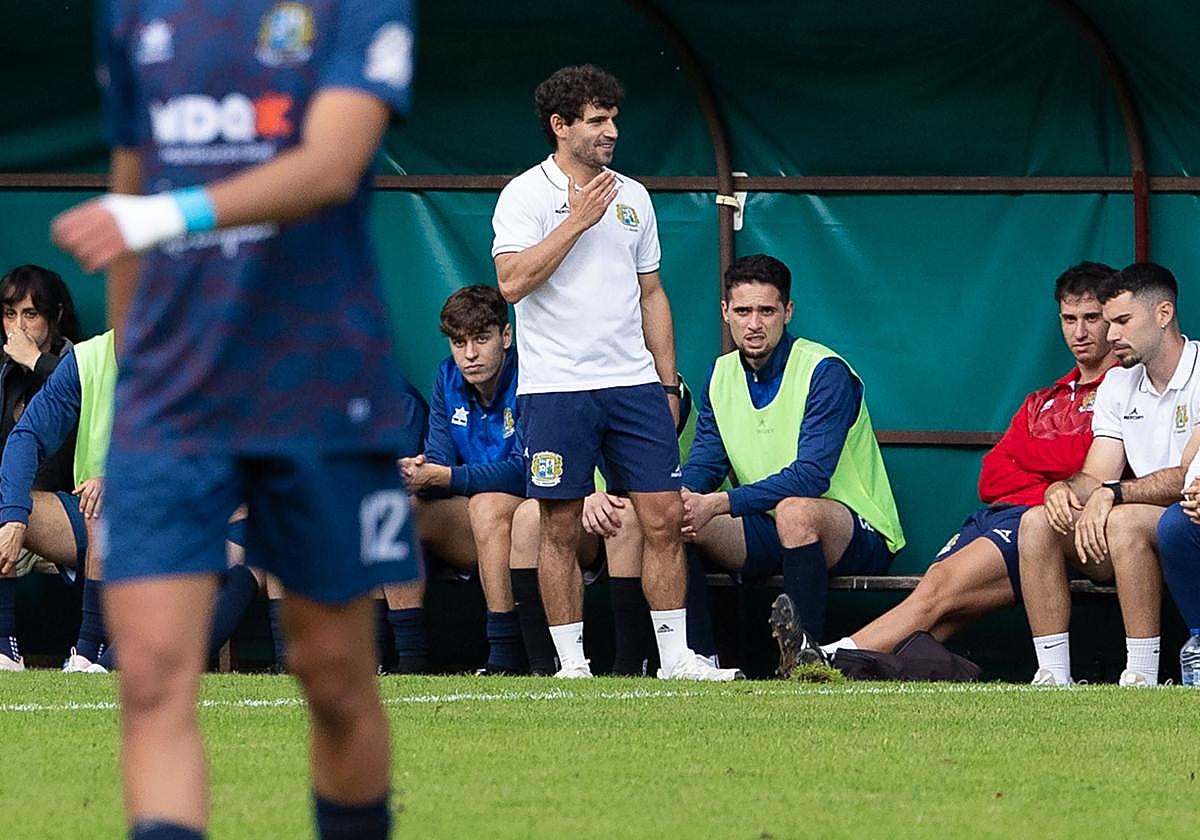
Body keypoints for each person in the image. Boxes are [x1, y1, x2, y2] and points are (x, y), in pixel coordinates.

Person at [51, 3, 419, 838]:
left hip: (321, 388)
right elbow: (130, 187)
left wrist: (163, 216)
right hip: (172, 400)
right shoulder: (132, 14)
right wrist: (135, 380)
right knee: (146, 679)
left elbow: (330, 166)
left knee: (333, 679)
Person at [491, 64, 739, 680]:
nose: (612, 131)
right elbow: (511, 283)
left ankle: (677, 657)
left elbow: (651, 293)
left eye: (613, 119)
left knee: (662, 517)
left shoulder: (634, 195)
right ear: (561, 126)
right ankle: (571, 664)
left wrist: (669, 380)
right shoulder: (524, 195)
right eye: (597, 121)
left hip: (633, 386)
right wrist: (576, 221)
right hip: (555, 390)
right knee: (558, 524)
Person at [808, 263, 1116, 661]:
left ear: (1113, 319)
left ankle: (828, 655)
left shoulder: (1121, 390)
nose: (1079, 332)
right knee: (939, 603)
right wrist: (1053, 475)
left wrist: (1033, 459)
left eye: (1092, 318)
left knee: (939, 591)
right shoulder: (1044, 397)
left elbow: (1084, 466)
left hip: (1049, 527)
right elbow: (992, 476)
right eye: (1069, 319)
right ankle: (860, 666)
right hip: (1003, 514)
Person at [679, 254, 904, 676]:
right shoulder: (721, 374)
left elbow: (811, 477)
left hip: (857, 533)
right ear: (725, 312)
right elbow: (706, 460)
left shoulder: (824, 371)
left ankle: (804, 663)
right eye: (743, 311)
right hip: (768, 529)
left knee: (795, 510)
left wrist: (721, 502)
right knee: (682, 518)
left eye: (766, 310)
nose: (754, 324)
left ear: (788, 311)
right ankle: (699, 663)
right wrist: (687, 497)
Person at [0, 330, 262, 675]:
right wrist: (15, 518)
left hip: (189, 523)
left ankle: (102, 663)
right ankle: (8, 650)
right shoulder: (88, 358)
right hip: (99, 521)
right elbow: (27, 437)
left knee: (246, 567)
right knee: (18, 502)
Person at [1020, 262, 1200, 686]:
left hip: (1183, 519)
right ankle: (1053, 677)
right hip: (1149, 519)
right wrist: (1064, 491)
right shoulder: (1118, 384)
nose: (1110, 334)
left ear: (1163, 314)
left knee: (1121, 521)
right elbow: (1097, 473)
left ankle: (1140, 674)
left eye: (1121, 321)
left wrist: (1113, 494)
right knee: (1036, 522)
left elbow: (1185, 477)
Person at [383, 284, 525, 674]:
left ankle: (505, 657)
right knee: (397, 507)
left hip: (533, 520)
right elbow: (441, 458)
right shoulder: (447, 377)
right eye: (459, 343)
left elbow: (527, 471)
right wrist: (417, 471)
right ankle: (409, 660)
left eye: (481, 339)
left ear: (506, 336)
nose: (470, 354)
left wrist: (447, 476)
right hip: (471, 519)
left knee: (489, 505)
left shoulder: (531, 374)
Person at [0, 263, 81, 670]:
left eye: (31, 314)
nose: (19, 326)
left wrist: (36, 362)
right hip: (12, 513)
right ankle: (5, 649)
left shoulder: (81, 362)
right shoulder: (2, 372)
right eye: (10, 314)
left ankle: (5, 643)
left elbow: (95, 404)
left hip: (73, 513)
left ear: (55, 317)